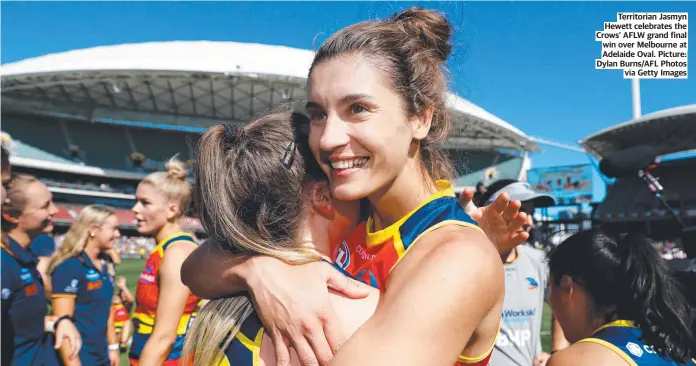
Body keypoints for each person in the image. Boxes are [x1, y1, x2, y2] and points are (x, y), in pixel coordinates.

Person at [182, 7, 533, 366]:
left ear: (419, 118)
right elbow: (194, 268)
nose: (328, 138)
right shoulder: (355, 212)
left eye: (358, 109)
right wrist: (259, 271)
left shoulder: (456, 254)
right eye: (318, 114)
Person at [546, 229, 696, 365]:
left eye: (550, 288)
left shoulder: (576, 361)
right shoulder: (679, 354)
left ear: (567, 287)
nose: (550, 300)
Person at [479, 179, 569, 366]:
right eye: (520, 211)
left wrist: (557, 352)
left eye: (530, 213)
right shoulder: (469, 261)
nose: (528, 221)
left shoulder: (538, 260)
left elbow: (562, 302)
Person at [1, 173, 82, 365]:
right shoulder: (4, 263)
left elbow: (18, 323)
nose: (54, 210)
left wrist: (57, 321)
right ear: (12, 216)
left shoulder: (22, 257)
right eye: (45, 206)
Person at [129, 158, 202, 366]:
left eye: (145, 203)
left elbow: (164, 337)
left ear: (171, 210)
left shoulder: (177, 253)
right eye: (136, 200)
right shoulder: (165, 249)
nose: (135, 209)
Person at [47, 204, 121, 366]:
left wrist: (113, 346)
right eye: (113, 229)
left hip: (101, 355)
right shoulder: (69, 266)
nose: (118, 234)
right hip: (78, 357)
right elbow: (63, 323)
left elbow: (106, 308)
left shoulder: (106, 264)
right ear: (93, 229)